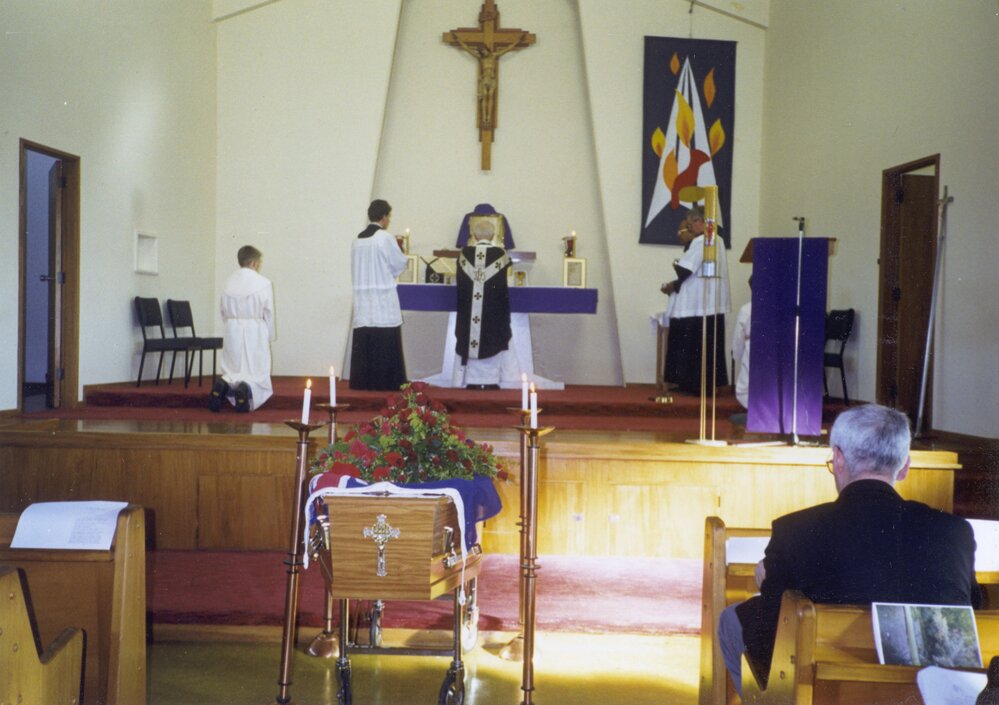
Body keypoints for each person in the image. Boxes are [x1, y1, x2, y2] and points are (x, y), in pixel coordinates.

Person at [718, 404, 980, 694]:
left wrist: (771, 584)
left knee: (732, 620)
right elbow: (972, 612)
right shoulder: (955, 532)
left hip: (829, 692)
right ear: (905, 466)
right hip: (931, 693)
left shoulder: (795, 530)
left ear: (838, 459)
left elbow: (769, 644)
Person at [660, 206, 730, 394]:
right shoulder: (719, 240)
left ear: (700, 222)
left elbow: (685, 270)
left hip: (697, 304)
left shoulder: (703, 241)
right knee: (707, 347)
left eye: (690, 225)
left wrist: (673, 280)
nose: (689, 230)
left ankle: (691, 385)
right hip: (709, 302)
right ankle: (703, 385)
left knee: (692, 345)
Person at [349, 199, 408, 391]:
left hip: (363, 297)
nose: (388, 220)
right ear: (383, 217)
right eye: (388, 216)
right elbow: (398, 263)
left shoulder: (357, 240)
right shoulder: (384, 237)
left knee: (366, 336)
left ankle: (363, 382)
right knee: (384, 338)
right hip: (382, 296)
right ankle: (386, 382)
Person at [210, 245, 275, 412]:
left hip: (233, 329)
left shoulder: (228, 282)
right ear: (253, 263)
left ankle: (224, 383)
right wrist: (270, 334)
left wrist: (231, 323)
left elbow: (223, 310)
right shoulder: (264, 283)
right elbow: (268, 311)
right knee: (256, 369)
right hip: (255, 329)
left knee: (234, 367)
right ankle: (246, 390)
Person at [453, 219, 516, 389]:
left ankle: (470, 381)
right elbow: (503, 287)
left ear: (473, 236)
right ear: (493, 236)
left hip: (468, 312)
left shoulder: (464, 254)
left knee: (471, 337)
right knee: (491, 337)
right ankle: (490, 382)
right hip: (492, 312)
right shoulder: (501, 255)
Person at [731, 277, 752, 410]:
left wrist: (738, 355)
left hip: (753, 350)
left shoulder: (747, 309)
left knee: (744, 390)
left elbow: (739, 337)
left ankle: (757, 413)